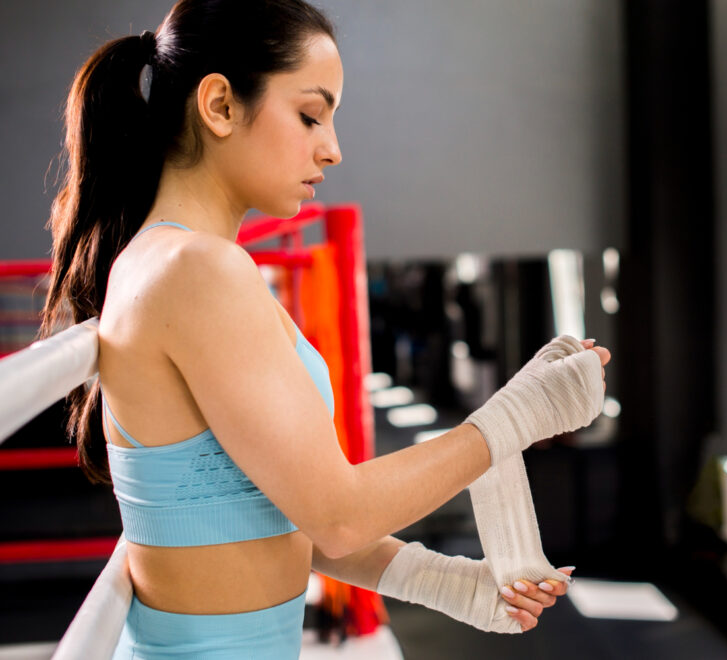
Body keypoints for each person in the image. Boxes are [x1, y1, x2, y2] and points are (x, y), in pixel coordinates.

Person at [39, 0, 612, 656]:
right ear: (220, 105)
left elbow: (274, 510)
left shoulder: (181, 262)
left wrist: (448, 582)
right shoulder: (195, 269)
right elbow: (339, 516)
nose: (332, 149)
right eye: (310, 114)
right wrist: (521, 415)